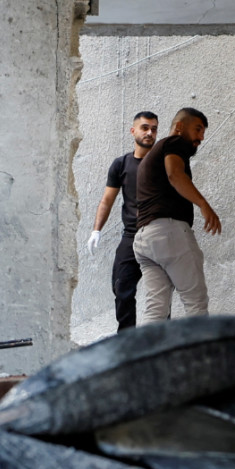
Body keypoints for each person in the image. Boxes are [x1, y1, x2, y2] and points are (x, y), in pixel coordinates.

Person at [132, 107, 220, 323]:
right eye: (198, 129)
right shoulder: (174, 143)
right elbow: (174, 173)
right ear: (180, 127)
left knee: (155, 312)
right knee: (195, 303)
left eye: (203, 132)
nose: (201, 137)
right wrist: (203, 204)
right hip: (169, 233)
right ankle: (202, 357)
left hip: (144, 240)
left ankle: (148, 358)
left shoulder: (149, 157)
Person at [89, 111, 158, 330]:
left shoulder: (165, 164)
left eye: (154, 129)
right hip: (131, 237)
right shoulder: (121, 164)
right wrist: (96, 231)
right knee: (121, 287)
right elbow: (107, 200)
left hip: (159, 236)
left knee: (160, 294)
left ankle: (160, 346)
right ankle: (128, 341)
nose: (149, 133)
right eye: (145, 128)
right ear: (133, 131)